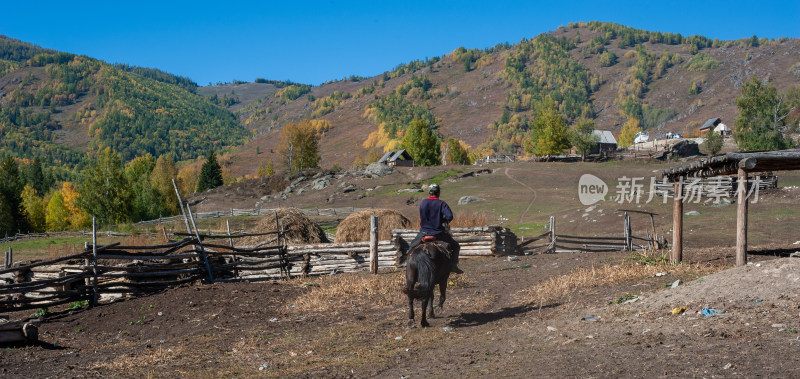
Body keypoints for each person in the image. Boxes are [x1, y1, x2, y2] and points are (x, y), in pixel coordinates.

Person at [407, 184, 463, 274]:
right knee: (456, 246)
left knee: (412, 246)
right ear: (439, 193)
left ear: (429, 192)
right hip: (438, 234)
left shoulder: (423, 203)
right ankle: (453, 265)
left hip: (424, 232)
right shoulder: (441, 203)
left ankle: (406, 263)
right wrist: (443, 220)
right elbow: (450, 216)